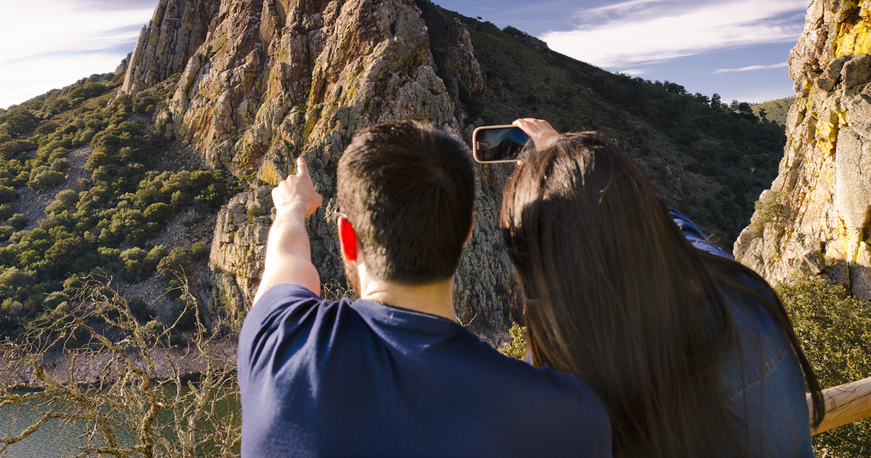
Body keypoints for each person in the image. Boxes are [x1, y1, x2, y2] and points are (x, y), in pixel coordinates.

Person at [237, 120, 612, 458]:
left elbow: (287, 257)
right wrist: (565, 163)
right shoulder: (563, 417)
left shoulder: (276, 344)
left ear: (346, 237)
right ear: (466, 232)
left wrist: (293, 205)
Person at [500, 118, 825, 458]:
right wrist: (578, 167)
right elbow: (675, 231)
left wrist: (561, 172)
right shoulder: (742, 296)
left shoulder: (549, 387)